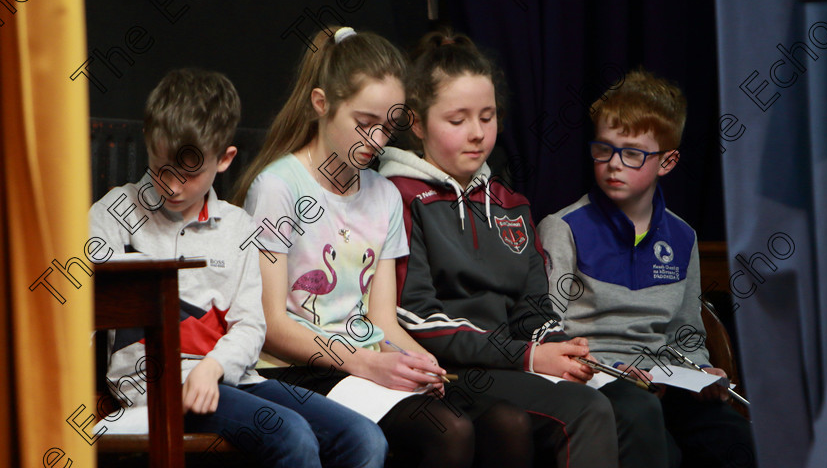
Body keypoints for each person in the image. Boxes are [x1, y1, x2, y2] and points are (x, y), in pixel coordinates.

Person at [234, 26, 533, 468]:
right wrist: (366, 363)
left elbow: (382, 320)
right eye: (364, 123)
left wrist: (420, 359)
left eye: (388, 127)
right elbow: (273, 324)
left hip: (363, 364)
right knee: (448, 430)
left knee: (507, 422)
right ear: (321, 105)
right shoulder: (279, 187)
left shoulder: (384, 195)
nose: (375, 141)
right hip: (296, 369)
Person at [89, 68, 388, 468]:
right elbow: (82, 315)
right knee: (292, 437)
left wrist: (214, 366)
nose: (173, 187)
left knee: (364, 439)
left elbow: (251, 325)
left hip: (233, 376)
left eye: (190, 173)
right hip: (158, 382)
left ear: (225, 158)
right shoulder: (112, 214)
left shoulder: (237, 227)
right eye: (162, 167)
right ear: (148, 144)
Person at [378, 29, 624, 468]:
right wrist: (528, 355)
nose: (476, 134)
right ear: (416, 123)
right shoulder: (398, 197)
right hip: (452, 371)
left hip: (510, 365)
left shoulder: (512, 204)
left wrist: (562, 348)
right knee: (587, 411)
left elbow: (533, 308)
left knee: (633, 406)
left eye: (487, 117)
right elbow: (415, 316)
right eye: (458, 121)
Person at [537, 69, 756, 468]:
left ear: (667, 162)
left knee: (736, 439)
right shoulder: (564, 228)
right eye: (604, 149)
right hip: (598, 383)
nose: (613, 165)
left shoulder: (682, 236)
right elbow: (551, 331)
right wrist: (614, 368)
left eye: (633, 153)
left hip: (665, 384)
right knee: (651, 431)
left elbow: (685, 333)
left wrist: (704, 370)